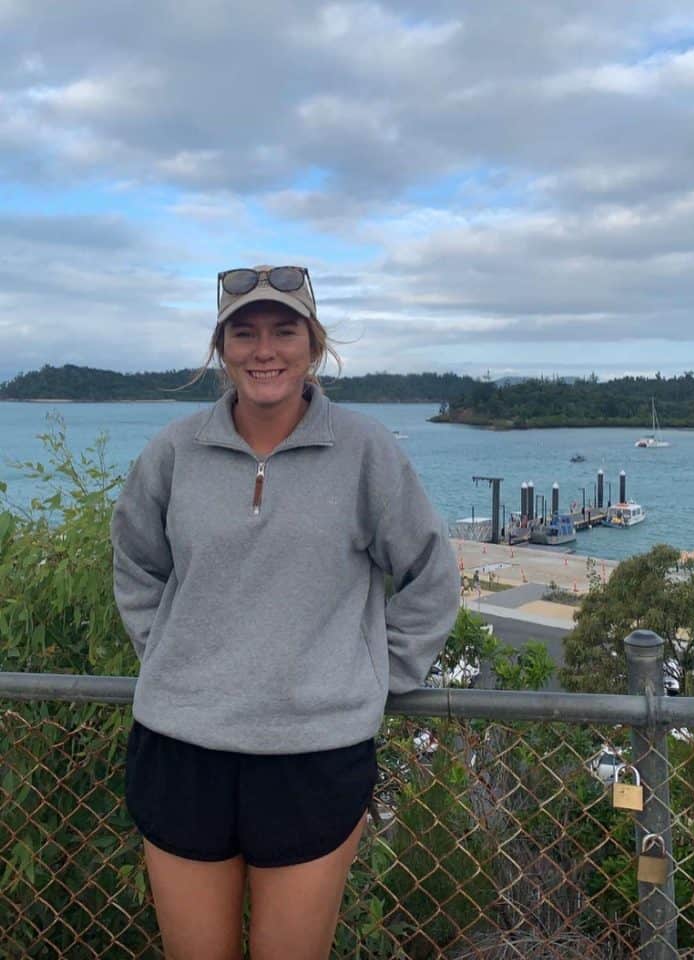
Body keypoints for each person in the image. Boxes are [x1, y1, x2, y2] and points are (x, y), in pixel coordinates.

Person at [110, 264, 460, 960]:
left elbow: (431, 575)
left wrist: (374, 674)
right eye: (244, 333)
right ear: (220, 348)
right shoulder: (173, 451)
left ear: (314, 345)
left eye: (284, 331)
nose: (264, 350)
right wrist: (173, 656)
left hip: (315, 756)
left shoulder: (366, 451)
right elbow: (136, 565)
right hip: (181, 749)